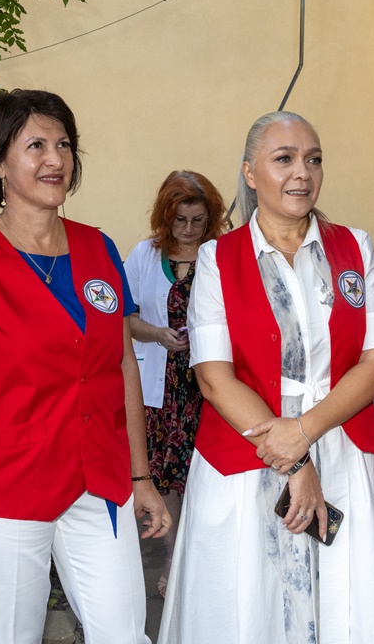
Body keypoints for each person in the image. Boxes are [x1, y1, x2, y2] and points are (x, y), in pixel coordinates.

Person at [158, 111, 374, 643]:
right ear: (250, 172)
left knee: (351, 605)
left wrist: (304, 431)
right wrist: (296, 459)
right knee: (248, 608)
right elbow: (213, 377)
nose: (302, 172)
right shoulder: (216, 258)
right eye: (283, 159)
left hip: (343, 448)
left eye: (313, 159)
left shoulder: (355, 247)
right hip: (246, 457)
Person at [0, 89, 170, 644]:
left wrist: (140, 477)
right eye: (35, 146)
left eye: (64, 144)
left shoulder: (99, 249)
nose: (55, 159)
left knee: (125, 634)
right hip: (5, 492)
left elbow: (122, 366)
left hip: (98, 482)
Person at [123, 170, 226, 597]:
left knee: (201, 477)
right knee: (163, 479)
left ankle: (201, 561)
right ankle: (172, 559)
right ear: (166, 217)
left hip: (207, 387)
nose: (188, 229)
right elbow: (123, 318)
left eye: (197, 221)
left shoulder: (221, 255)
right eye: (180, 220)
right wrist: (157, 334)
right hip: (157, 388)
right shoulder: (144, 255)